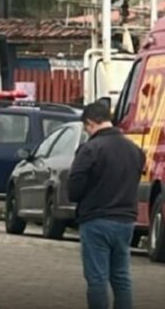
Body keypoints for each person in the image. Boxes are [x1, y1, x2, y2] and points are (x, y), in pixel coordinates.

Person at [68, 102, 145, 309]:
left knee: (97, 279)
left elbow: (74, 188)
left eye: (86, 129)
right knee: (121, 277)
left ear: (91, 123)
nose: (87, 133)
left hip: (96, 220)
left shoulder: (90, 149)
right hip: (126, 221)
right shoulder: (135, 150)